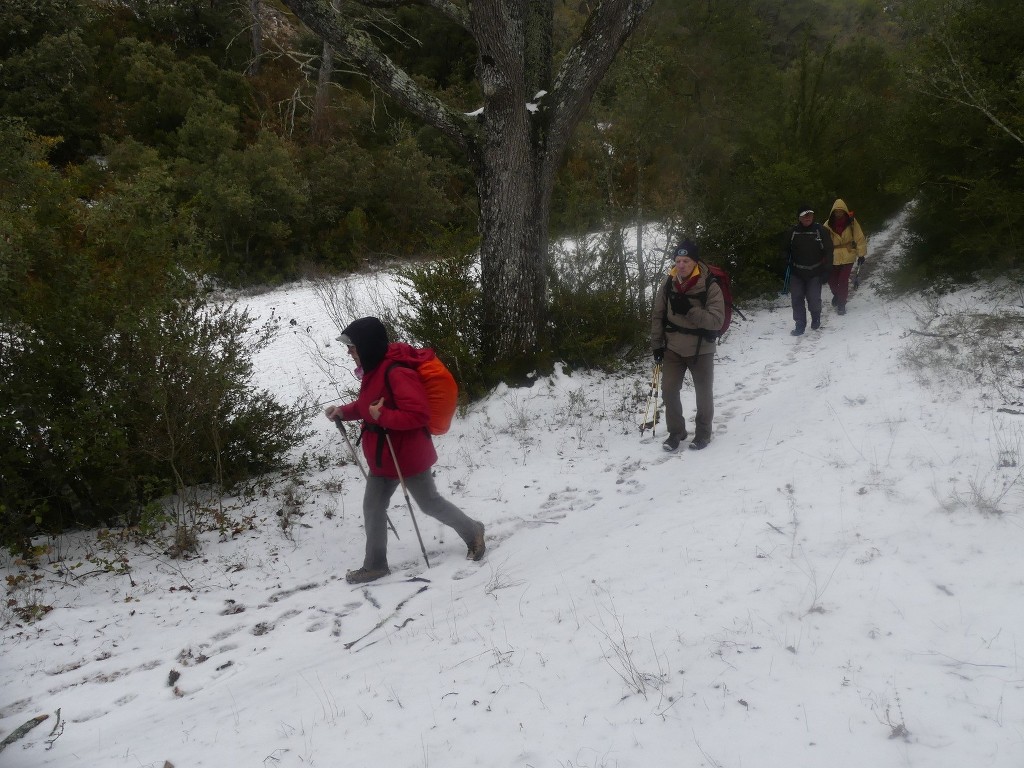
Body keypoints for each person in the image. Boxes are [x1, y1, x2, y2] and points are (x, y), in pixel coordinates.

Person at [324, 317, 485, 583]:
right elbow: (368, 405)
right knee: (373, 507)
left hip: (408, 456)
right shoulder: (373, 369)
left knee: (430, 503)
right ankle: (375, 565)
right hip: (382, 458)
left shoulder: (397, 372)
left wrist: (382, 415)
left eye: (352, 347)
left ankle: (473, 531)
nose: (348, 352)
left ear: (367, 346)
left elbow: (418, 414)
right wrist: (344, 411)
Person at [650, 239, 725, 452]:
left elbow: (716, 320)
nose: (680, 265)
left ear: (695, 262)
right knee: (669, 390)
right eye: (677, 260)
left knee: (703, 393)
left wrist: (690, 310)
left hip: (701, 349)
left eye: (686, 261)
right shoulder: (668, 283)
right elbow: (658, 314)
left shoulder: (709, 285)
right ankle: (676, 432)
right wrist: (656, 344)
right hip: (673, 347)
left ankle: (702, 434)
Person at [785, 204, 834, 336]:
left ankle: (816, 316)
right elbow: (785, 250)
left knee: (813, 298)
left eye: (810, 215)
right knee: (796, 298)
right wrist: (785, 264)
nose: (807, 218)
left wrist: (827, 270)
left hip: (815, 271)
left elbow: (829, 251)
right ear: (799, 218)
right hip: (797, 272)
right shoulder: (792, 232)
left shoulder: (821, 230)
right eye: (804, 215)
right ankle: (800, 324)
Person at [824, 199, 867, 315]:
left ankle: (841, 304)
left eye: (841, 211)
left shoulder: (852, 222)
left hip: (848, 255)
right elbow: (822, 243)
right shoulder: (827, 225)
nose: (838, 213)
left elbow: (859, 238)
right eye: (836, 211)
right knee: (832, 280)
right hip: (833, 256)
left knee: (843, 280)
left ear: (844, 211)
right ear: (833, 212)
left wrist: (861, 254)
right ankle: (837, 295)